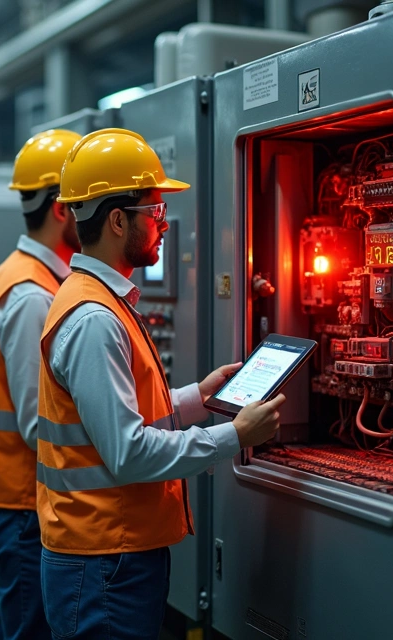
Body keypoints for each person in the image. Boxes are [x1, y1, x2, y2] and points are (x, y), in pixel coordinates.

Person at [36, 129, 286, 639]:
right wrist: (235, 435)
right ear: (117, 220)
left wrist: (200, 397)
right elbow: (128, 451)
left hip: (110, 554)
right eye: (155, 211)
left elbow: (118, 415)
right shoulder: (95, 319)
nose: (164, 224)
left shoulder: (96, 299)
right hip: (104, 562)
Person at [0, 129, 83, 640]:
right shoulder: (33, 293)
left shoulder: (28, 276)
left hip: (10, 497)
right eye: (88, 202)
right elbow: (40, 425)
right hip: (18, 505)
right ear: (61, 208)